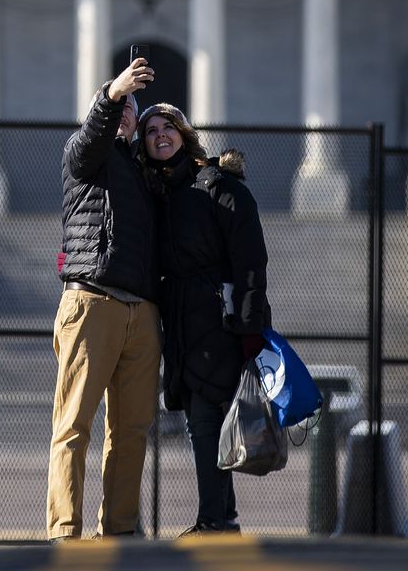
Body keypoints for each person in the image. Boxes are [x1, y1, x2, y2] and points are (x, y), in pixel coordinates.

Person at [138, 102, 269, 535]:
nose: (160, 135)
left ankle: (215, 517)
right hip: (180, 323)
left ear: (184, 132)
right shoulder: (160, 194)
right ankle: (221, 517)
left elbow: (250, 260)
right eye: (151, 129)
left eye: (168, 127)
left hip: (218, 320)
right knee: (203, 418)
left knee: (206, 417)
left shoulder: (217, 185)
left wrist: (251, 329)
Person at [47, 55, 160, 542]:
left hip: (141, 310)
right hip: (92, 301)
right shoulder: (85, 154)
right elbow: (88, 140)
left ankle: (119, 531)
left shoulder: (140, 170)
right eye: (122, 105)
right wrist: (111, 97)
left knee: (132, 433)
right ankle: (64, 532)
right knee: (73, 425)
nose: (127, 113)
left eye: (134, 109)